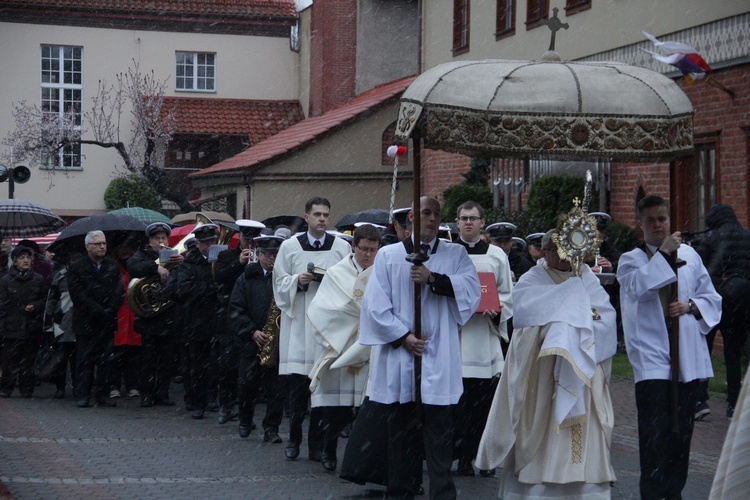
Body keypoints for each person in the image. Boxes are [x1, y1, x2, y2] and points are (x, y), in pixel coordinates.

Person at [476, 229, 618, 497]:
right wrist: (559, 328)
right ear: (544, 252)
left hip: (581, 373)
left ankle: (582, 489)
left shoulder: (586, 278)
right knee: (539, 429)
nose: (562, 255)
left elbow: (606, 319)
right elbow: (524, 317)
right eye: (555, 250)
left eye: (567, 249)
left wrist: (575, 328)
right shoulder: (533, 279)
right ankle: (536, 488)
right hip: (541, 374)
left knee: (580, 433)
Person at [359, 196, 480, 499]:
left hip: (438, 355)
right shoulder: (388, 255)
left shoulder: (455, 254)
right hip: (401, 355)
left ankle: (442, 492)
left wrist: (433, 279)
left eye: (437, 214)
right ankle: (402, 489)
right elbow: (375, 305)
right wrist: (402, 337)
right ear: (413, 215)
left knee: (439, 434)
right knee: (401, 433)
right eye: (426, 213)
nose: (432, 219)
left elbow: (471, 290)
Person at [617, 195, 722, 500]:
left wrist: (690, 306)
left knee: (681, 435)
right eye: (650, 220)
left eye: (662, 218)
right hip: (652, 360)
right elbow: (640, 288)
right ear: (641, 224)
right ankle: (652, 493)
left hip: (685, 357)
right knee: (654, 436)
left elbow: (711, 298)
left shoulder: (689, 255)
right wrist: (663, 256)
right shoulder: (631, 260)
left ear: (669, 220)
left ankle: (674, 492)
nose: (658, 225)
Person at [273, 197, 351, 461]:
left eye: (326, 215)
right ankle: (294, 441)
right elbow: (279, 281)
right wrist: (299, 280)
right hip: (299, 325)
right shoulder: (290, 246)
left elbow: (349, 282)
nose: (322, 219)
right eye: (317, 214)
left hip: (327, 327)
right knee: (297, 393)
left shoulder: (341, 247)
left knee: (323, 393)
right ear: (306, 217)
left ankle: (317, 445)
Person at [307, 224, 381, 472]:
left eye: (373, 250)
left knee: (365, 411)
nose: (368, 255)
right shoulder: (336, 273)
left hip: (370, 348)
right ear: (353, 246)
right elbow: (324, 309)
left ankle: (360, 459)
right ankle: (329, 450)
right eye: (364, 249)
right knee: (335, 410)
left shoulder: (383, 273)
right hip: (341, 344)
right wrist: (353, 315)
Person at [452, 201, 513, 477]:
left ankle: (483, 457)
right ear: (457, 223)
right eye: (463, 218)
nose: (468, 223)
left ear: (482, 222)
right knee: (458, 406)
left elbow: (507, 294)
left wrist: (496, 309)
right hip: (457, 337)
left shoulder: (496, 255)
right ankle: (462, 456)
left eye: (473, 218)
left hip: (484, 339)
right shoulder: (448, 253)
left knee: (484, 406)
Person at [229, 234, 286, 443]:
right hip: (251, 342)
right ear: (259, 255)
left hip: (276, 342)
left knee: (276, 390)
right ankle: (245, 421)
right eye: (268, 254)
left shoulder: (282, 278)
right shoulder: (245, 278)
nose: (272, 258)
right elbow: (235, 308)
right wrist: (251, 331)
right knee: (247, 385)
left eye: (275, 254)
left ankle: (272, 428)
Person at [696, 203, 750, 419]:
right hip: (741, 302)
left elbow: (698, 265)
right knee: (733, 353)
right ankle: (733, 405)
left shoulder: (712, 238)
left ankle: (700, 401)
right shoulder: (747, 236)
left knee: (704, 349)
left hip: (715, 300)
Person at [165, 224, 222, 419]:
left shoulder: (221, 262)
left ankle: (213, 398)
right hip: (196, 321)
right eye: (206, 242)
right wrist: (210, 287)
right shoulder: (188, 265)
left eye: (213, 241)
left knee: (216, 364)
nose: (211, 245)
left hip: (217, 320)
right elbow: (183, 290)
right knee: (197, 365)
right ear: (197, 244)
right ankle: (198, 402)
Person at [214, 219, 265, 424]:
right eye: (246, 239)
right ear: (240, 238)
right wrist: (240, 263)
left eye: (253, 240)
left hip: (250, 318)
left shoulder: (261, 258)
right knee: (227, 365)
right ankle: (225, 406)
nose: (249, 244)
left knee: (249, 371)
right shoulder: (226, 255)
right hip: (229, 318)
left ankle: (245, 411)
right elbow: (220, 278)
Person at [128, 222, 184, 407]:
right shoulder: (142, 255)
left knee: (168, 359)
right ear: (150, 241)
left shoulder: (175, 255)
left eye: (163, 238)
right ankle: (146, 394)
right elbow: (133, 265)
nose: (161, 241)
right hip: (150, 318)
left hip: (169, 315)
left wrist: (182, 263)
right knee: (148, 358)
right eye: (157, 239)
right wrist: (156, 267)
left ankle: (162, 393)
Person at [68, 230, 124, 408]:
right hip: (87, 320)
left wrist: (110, 309)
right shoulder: (77, 267)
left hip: (107, 321)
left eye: (104, 244)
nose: (102, 247)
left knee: (106, 360)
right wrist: (99, 310)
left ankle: (103, 394)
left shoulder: (112, 266)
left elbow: (118, 291)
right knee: (85, 360)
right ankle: (83, 394)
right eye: (98, 244)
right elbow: (78, 296)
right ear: (87, 246)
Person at [0, 246, 49, 398]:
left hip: (31, 326)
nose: (26, 260)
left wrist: (35, 306)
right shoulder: (6, 280)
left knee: (28, 361)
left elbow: (44, 299)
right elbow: (1, 305)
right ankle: (6, 388)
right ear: (14, 262)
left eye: (28, 257)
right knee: (10, 361)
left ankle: (26, 389)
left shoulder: (38, 279)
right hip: (11, 326)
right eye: (21, 258)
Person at [108, 237, 141, 400]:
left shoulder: (137, 265)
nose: (124, 250)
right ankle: (113, 385)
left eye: (127, 246)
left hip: (134, 315)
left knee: (133, 355)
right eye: (121, 246)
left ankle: (132, 385)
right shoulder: (112, 267)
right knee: (115, 354)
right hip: (118, 315)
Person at [44, 253, 80, 399]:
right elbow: (51, 299)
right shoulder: (60, 275)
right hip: (61, 323)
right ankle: (60, 387)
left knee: (78, 360)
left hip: (79, 322)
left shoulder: (85, 274)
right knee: (60, 358)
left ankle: (78, 387)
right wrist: (47, 324)